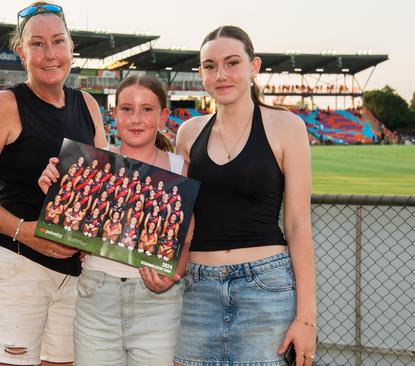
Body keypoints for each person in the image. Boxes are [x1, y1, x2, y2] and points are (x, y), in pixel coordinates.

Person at [0, 2, 107, 365]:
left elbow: (100, 190)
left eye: (58, 41)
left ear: (71, 46)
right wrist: (24, 230)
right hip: (13, 265)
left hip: (72, 275)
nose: (50, 54)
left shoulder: (88, 106)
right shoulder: (5, 104)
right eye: (37, 44)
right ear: (22, 53)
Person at [172, 25, 316, 366]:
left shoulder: (287, 126)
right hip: (198, 292)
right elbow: (176, 219)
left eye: (232, 62)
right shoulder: (188, 133)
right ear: (201, 73)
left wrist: (306, 318)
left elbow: (298, 225)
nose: (221, 74)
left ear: (255, 67)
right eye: (210, 66)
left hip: (265, 289)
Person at [39, 75, 191, 366]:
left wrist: (171, 277)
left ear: (164, 115)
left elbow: (186, 242)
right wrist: (54, 189)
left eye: (147, 109)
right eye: (126, 108)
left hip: (158, 304)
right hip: (97, 295)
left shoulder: (179, 167)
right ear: (114, 113)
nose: (136, 118)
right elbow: (62, 234)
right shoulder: (90, 164)